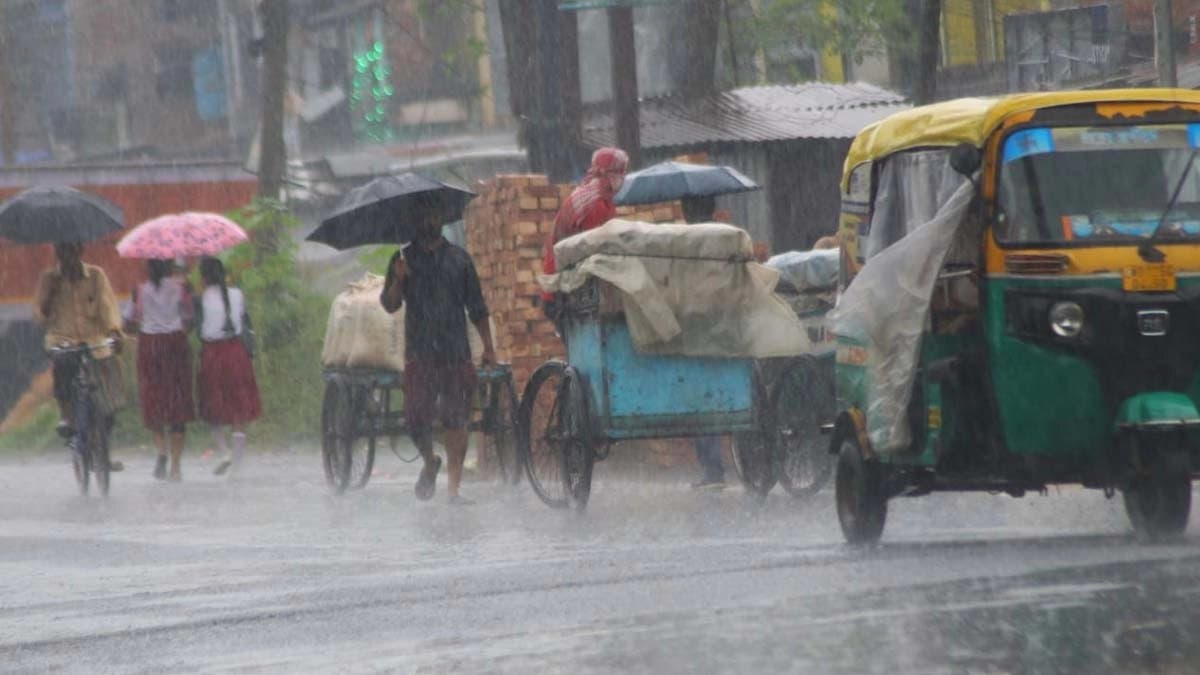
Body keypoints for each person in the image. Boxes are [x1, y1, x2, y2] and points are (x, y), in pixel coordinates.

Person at [380, 208, 496, 505]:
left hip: (456, 352)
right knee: (416, 419)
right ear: (415, 221)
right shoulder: (402, 259)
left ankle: (454, 489)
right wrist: (398, 280)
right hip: (419, 353)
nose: (428, 221)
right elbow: (390, 305)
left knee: (457, 420)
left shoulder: (460, 259)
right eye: (423, 217)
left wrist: (489, 348)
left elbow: (478, 308)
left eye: (433, 216)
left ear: (442, 220)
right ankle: (430, 460)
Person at [32, 242, 125, 472]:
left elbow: (108, 306)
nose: (67, 258)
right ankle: (67, 417)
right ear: (58, 254)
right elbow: (39, 315)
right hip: (62, 340)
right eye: (63, 253)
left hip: (95, 341)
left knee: (108, 399)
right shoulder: (49, 279)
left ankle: (102, 447)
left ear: (80, 251)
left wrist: (114, 330)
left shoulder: (96, 276)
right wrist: (50, 295)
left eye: (71, 252)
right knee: (63, 367)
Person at [125, 259, 195, 482]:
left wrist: (143, 324)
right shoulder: (181, 288)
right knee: (178, 405)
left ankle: (162, 451)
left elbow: (127, 323)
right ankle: (176, 467)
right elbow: (190, 319)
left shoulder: (139, 291)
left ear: (149, 269)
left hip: (150, 347)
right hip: (175, 345)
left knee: (153, 399)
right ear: (168, 267)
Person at [541, 146, 630, 316]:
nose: (623, 178)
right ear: (609, 174)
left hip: (562, 286)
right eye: (620, 173)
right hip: (563, 290)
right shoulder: (594, 204)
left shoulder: (594, 196)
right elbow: (595, 253)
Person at [678, 195, 728, 489]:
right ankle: (716, 467)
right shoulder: (725, 239)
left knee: (700, 399)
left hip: (696, 328)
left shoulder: (684, 243)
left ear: (686, 211)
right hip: (724, 326)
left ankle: (712, 468)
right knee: (720, 393)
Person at [196, 257, 261, 479]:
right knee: (239, 409)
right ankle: (237, 465)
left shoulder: (201, 298)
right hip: (236, 352)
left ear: (204, 277)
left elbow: (199, 329)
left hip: (212, 354)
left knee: (213, 408)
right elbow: (244, 323)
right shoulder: (237, 295)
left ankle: (224, 452)